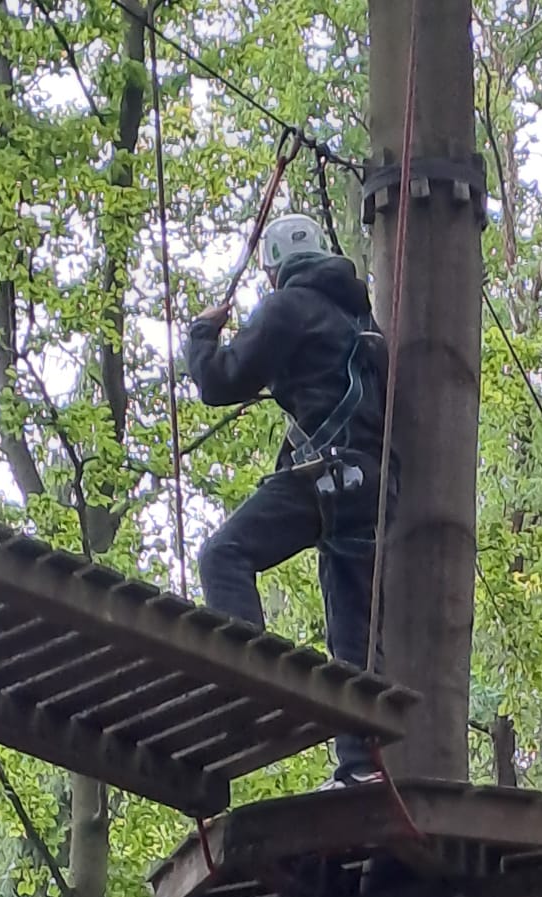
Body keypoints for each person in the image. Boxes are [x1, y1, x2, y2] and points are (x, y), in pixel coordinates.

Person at [186, 214, 392, 787]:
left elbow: (221, 381)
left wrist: (201, 337)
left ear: (273, 269)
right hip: (371, 488)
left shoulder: (288, 307)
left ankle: (248, 683)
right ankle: (360, 767)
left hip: (325, 477)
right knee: (352, 633)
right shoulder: (365, 324)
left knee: (223, 556)